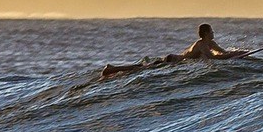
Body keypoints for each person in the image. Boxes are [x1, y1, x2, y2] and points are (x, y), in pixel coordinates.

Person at [103, 24, 254, 79]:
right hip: (172, 60)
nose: (214, 33)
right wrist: (232, 56)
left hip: (175, 62)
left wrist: (236, 53)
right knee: (139, 69)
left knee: (140, 69)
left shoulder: (211, 43)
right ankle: (111, 69)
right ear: (207, 33)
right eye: (212, 31)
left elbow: (222, 52)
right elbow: (214, 59)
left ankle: (112, 69)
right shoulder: (201, 45)